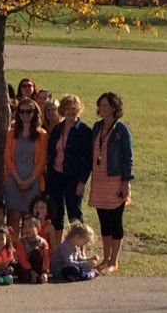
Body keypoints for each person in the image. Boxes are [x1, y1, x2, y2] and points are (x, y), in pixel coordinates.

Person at [89, 92, 134, 274]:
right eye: (101, 105)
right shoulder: (97, 127)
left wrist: (125, 182)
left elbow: (128, 157)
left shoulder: (121, 130)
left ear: (115, 108)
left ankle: (114, 261)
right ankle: (106, 257)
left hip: (115, 180)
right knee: (104, 221)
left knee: (116, 221)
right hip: (99, 181)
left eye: (106, 105)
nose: (103, 109)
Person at [45, 94, 93, 245]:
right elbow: (52, 151)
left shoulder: (84, 130)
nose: (70, 112)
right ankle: (57, 248)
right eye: (67, 108)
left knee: (75, 214)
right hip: (56, 176)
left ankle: (79, 248)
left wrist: (82, 181)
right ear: (62, 110)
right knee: (56, 214)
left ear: (78, 110)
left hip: (74, 178)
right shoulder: (58, 129)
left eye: (74, 109)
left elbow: (88, 159)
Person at [4, 100, 48, 227]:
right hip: (13, 180)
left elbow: (42, 161)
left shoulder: (42, 135)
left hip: (33, 182)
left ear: (35, 113)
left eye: (29, 111)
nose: (25, 114)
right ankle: (13, 246)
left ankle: (26, 247)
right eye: (22, 111)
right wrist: (18, 180)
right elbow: (7, 158)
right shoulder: (11, 133)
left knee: (29, 219)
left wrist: (29, 181)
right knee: (13, 218)